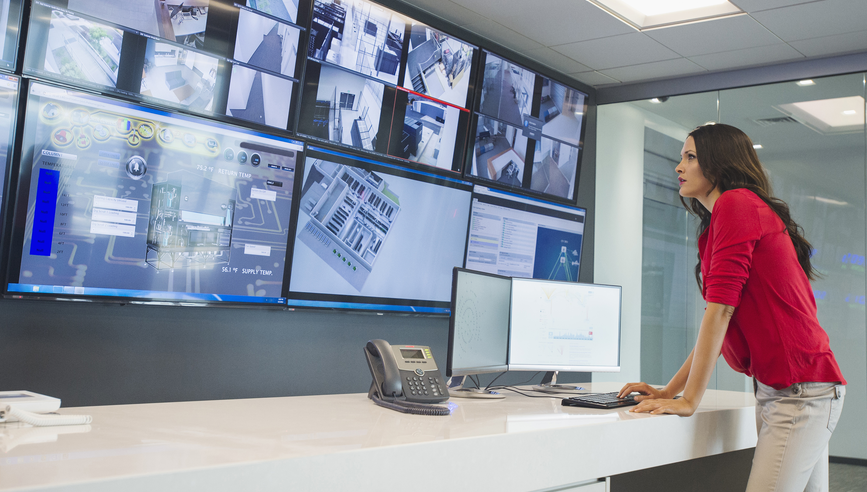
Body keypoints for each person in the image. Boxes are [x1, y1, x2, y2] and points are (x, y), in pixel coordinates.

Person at [618, 123, 846, 492]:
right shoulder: (717, 225)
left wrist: (690, 399)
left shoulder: (736, 203)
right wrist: (669, 391)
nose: (679, 167)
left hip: (800, 390)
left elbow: (719, 311)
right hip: (791, 389)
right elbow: (721, 322)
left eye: (690, 157)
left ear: (718, 163)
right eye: (682, 157)